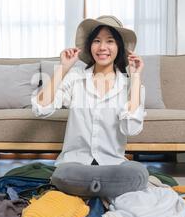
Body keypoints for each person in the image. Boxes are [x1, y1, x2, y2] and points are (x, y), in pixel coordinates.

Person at [31, 15, 146, 166]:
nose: (102, 47)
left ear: (119, 47)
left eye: (110, 41)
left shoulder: (131, 85)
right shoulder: (74, 78)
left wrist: (136, 77)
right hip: (74, 164)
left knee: (137, 173)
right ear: (90, 46)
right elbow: (41, 109)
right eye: (97, 41)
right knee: (71, 177)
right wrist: (63, 68)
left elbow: (131, 128)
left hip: (112, 165)